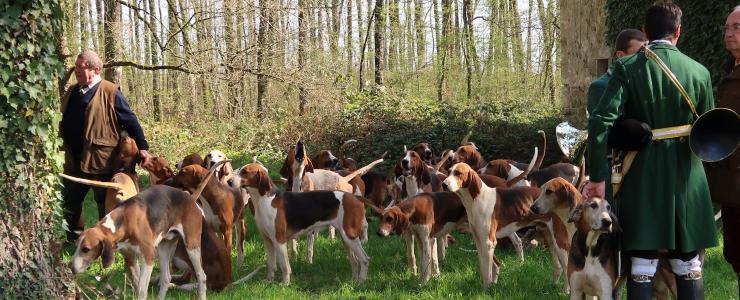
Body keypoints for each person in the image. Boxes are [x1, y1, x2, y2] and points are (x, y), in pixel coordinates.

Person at [583, 3, 717, 299]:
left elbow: (600, 121)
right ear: (678, 32)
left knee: (642, 261)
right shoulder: (701, 72)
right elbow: (708, 130)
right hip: (688, 176)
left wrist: (598, 177)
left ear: (645, 32)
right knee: (688, 262)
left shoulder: (625, 68)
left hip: (641, 174)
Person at [60, 50, 151, 242]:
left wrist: (142, 147)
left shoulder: (111, 92)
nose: (76, 71)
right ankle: (75, 239)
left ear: (95, 69)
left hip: (101, 161)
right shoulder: (72, 91)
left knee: (104, 204)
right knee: (69, 202)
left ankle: (106, 242)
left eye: (81, 67)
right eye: (76, 66)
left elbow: (130, 120)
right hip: (74, 161)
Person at [585, 29, 646, 200]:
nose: (644, 57)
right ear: (620, 55)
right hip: (614, 167)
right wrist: (600, 177)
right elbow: (603, 134)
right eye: (639, 52)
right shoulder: (600, 86)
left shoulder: (640, 81)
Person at [707, 6, 740, 296]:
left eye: (738, 27)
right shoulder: (730, 69)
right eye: (727, 27)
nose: (729, 34)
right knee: (737, 254)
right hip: (731, 184)